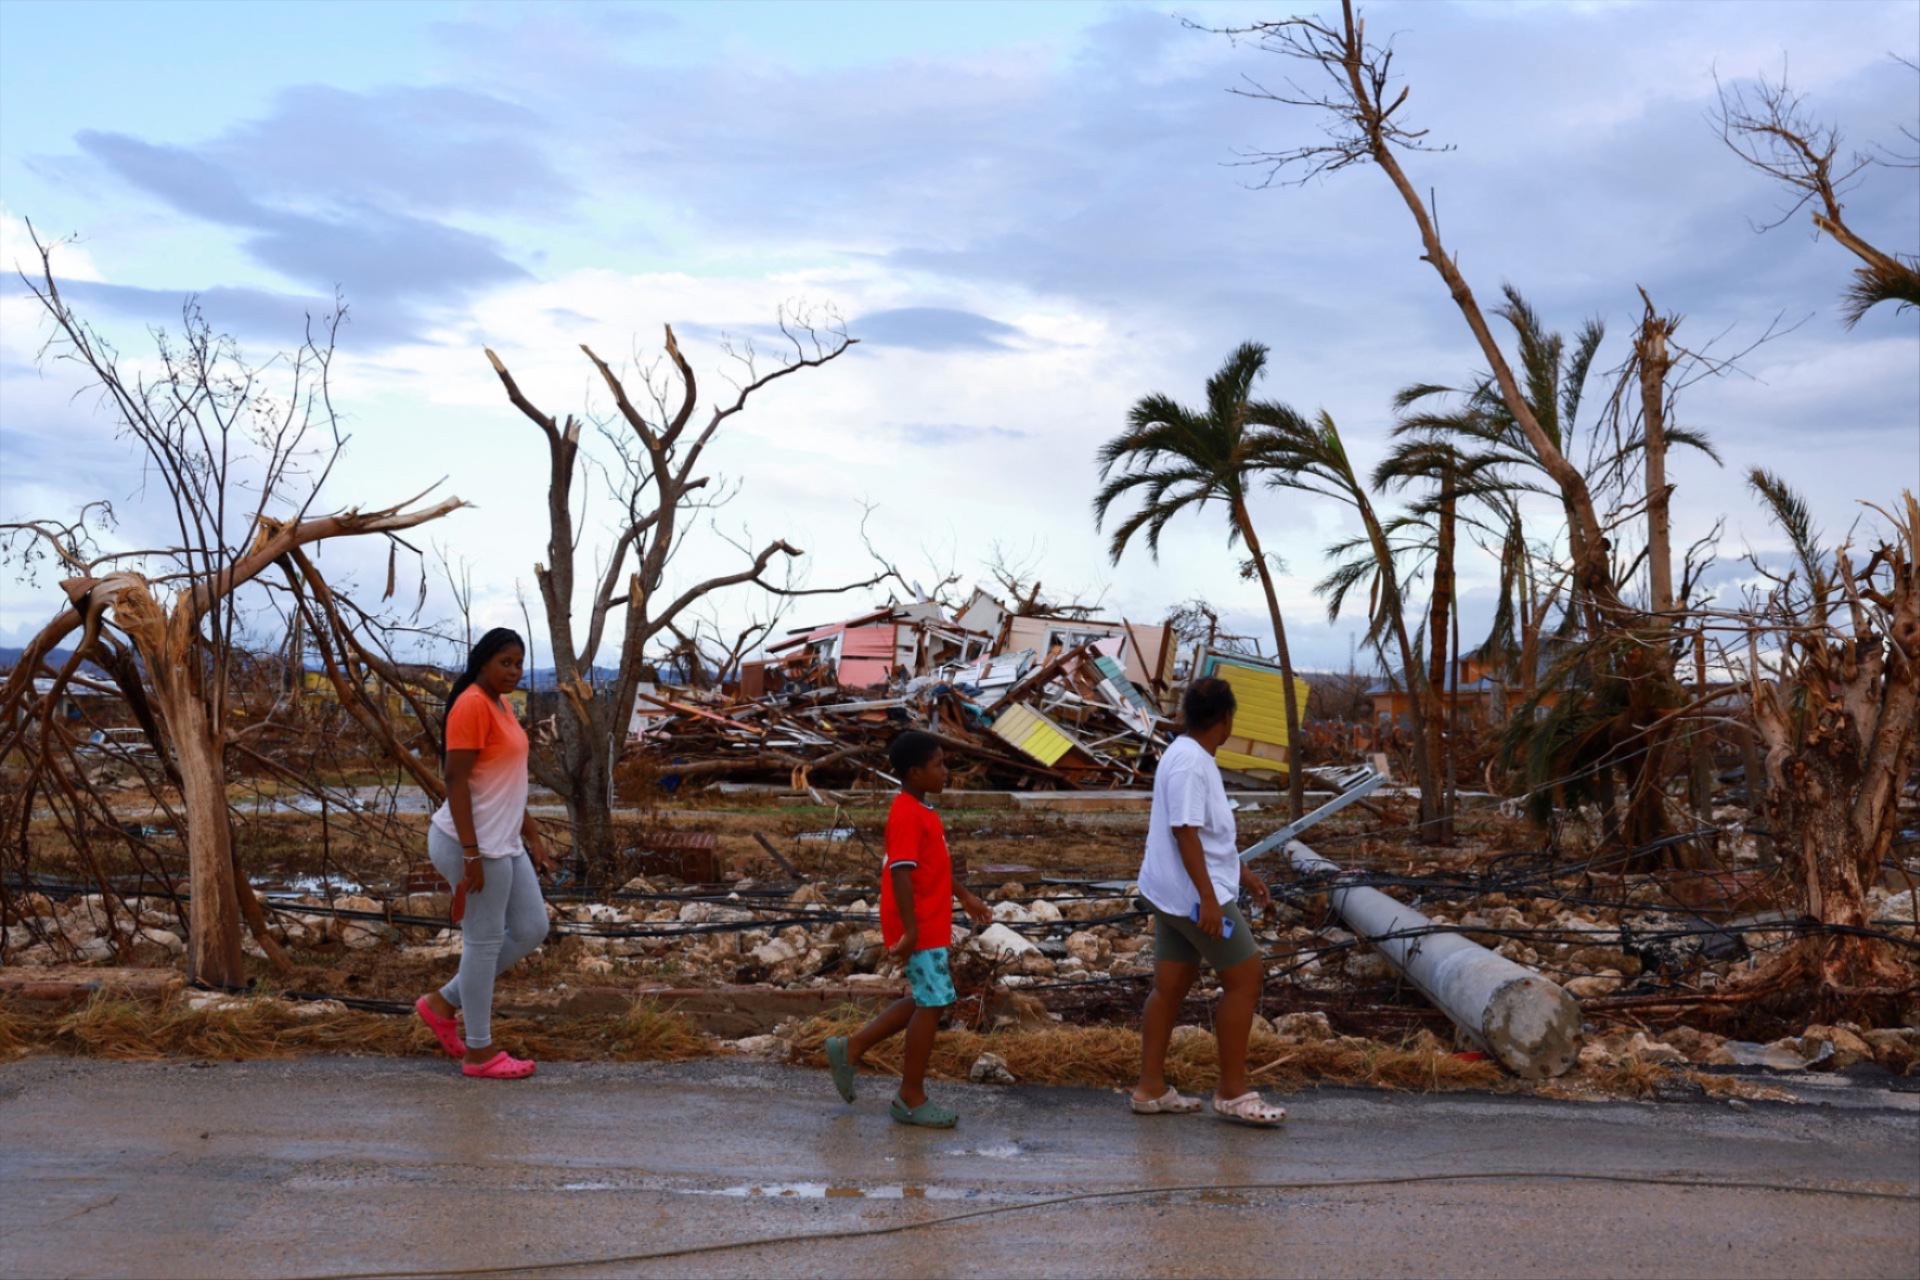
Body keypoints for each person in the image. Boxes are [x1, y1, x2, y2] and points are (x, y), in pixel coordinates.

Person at [1129, 677, 1286, 1127]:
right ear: (1226, 720)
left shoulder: (1183, 754)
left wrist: (1243, 872)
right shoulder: (1191, 765)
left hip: (1172, 893)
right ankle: (1233, 1092)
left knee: (1171, 986)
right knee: (1246, 977)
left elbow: (1207, 835)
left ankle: (1150, 1089)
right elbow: (1185, 832)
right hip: (1194, 899)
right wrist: (1210, 901)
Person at [824, 731, 992, 1128]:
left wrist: (965, 897)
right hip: (919, 926)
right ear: (916, 773)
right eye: (939, 764)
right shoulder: (905, 814)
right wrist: (911, 930)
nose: (946, 772)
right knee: (932, 1004)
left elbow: (933, 867)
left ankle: (852, 1048)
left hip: (930, 922)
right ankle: (910, 1096)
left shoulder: (921, 810)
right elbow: (900, 872)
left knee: (926, 1000)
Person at [414, 628, 555, 1080]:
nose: (514, 671)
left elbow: (505, 782)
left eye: (519, 663)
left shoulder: (501, 705)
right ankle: (479, 1052)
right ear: (483, 662)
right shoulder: (473, 704)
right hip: (469, 842)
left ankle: (443, 1003)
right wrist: (472, 855)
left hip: (502, 840)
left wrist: (533, 835)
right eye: (505, 663)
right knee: (484, 941)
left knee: (533, 927)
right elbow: (455, 781)